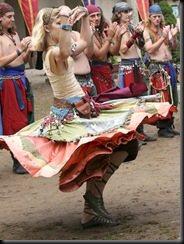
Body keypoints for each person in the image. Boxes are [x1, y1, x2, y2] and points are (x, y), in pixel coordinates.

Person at [0, 5, 177, 228]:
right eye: (57, 23)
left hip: (83, 109)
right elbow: (65, 51)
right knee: (112, 149)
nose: (63, 26)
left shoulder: (59, 47)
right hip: (69, 117)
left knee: (123, 145)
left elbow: (84, 43)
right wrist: (65, 15)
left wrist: (83, 18)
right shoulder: (52, 52)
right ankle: (92, 205)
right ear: (47, 28)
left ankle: (92, 204)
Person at [111, 2, 157, 146]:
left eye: (130, 11)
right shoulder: (116, 29)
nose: (129, 14)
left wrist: (140, 33)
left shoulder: (131, 26)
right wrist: (135, 35)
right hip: (127, 67)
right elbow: (123, 50)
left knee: (141, 99)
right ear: (118, 14)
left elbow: (141, 46)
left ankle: (140, 132)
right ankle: (132, 136)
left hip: (137, 65)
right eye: (126, 12)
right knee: (130, 101)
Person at [0, 3, 34, 174]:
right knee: (13, 121)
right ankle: (17, 159)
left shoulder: (14, 34)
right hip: (8, 83)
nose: (13, 19)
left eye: (13, 16)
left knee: (25, 119)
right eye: (9, 17)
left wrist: (28, 50)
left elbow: (23, 60)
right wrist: (19, 50)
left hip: (21, 81)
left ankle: (24, 156)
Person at [143, 4, 180, 138]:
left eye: (159, 16)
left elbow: (174, 47)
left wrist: (174, 37)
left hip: (169, 66)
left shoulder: (164, 29)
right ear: (150, 17)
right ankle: (162, 127)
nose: (157, 19)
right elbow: (150, 50)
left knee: (172, 96)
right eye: (155, 16)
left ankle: (169, 124)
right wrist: (163, 38)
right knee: (162, 97)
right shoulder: (146, 31)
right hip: (158, 69)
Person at [85, 4, 120, 94]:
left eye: (98, 15)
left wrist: (118, 36)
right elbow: (100, 56)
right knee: (103, 102)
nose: (97, 18)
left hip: (106, 70)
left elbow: (113, 51)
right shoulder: (86, 35)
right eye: (92, 16)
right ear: (86, 18)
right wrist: (110, 36)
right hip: (97, 73)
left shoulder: (100, 33)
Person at [71, 26, 97, 96]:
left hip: (89, 80)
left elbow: (88, 54)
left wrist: (90, 37)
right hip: (76, 82)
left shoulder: (76, 33)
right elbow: (73, 52)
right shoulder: (60, 37)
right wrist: (85, 41)